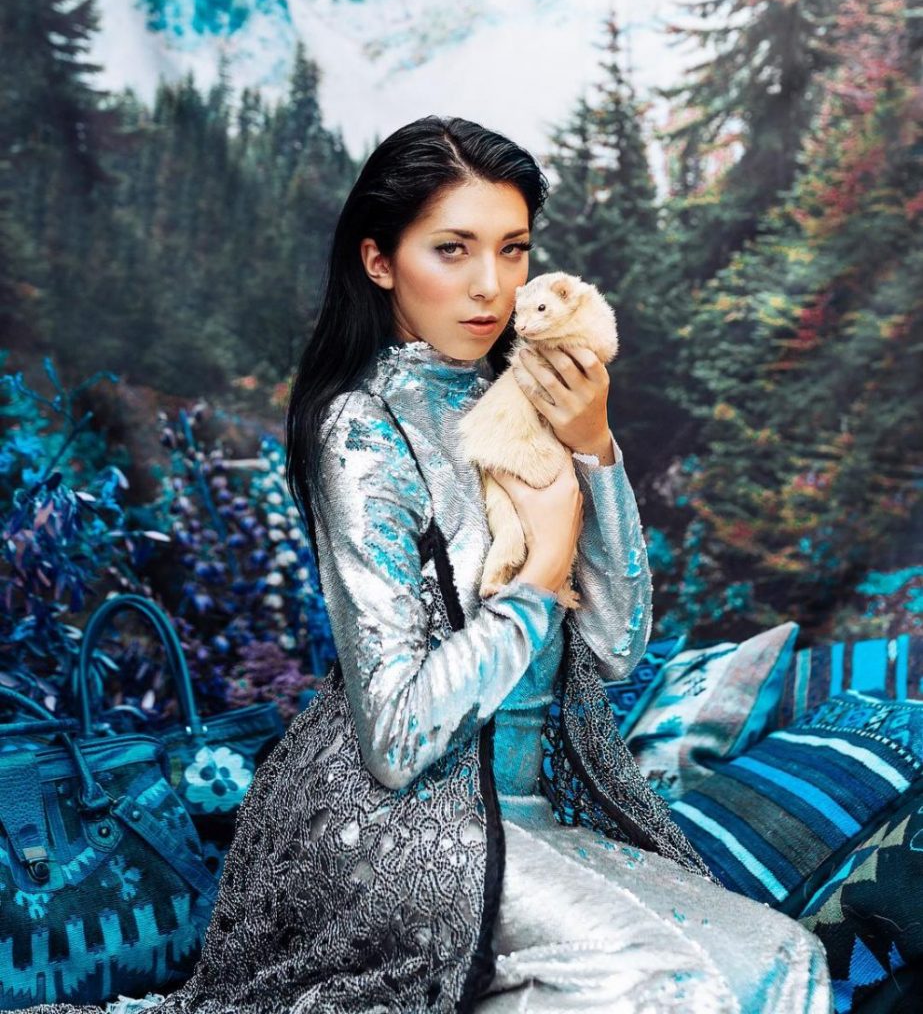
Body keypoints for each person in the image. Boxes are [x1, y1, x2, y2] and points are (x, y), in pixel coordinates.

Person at [19, 116, 832, 1014]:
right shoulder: (362, 430)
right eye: (452, 249)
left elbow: (611, 648)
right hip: (392, 821)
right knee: (659, 982)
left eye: (513, 249)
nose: (491, 286)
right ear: (379, 261)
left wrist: (594, 451)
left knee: (783, 959)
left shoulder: (529, 399)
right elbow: (397, 739)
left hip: (525, 809)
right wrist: (538, 577)